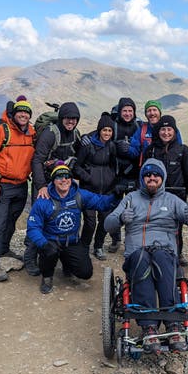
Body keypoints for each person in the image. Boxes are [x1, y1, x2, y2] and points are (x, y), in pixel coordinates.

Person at [105, 158, 188, 353]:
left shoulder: (172, 200)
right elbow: (108, 224)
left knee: (162, 259)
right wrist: (119, 218)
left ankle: (174, 325)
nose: (152, 178)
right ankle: (149, 326)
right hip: (137, 251)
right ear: (142, 178)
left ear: (163, 178)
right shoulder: (131, 199)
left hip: (164, 249)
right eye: (147, 175)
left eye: (156, 175)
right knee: (142, 260)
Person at [25, 162, 118, 294]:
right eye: (59, 177)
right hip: (51, 242)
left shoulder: (79, 195)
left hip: (72, 241)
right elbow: (33, 227)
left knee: (86, 273)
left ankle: (67, 263)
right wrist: (43, 244)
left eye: (67, 176)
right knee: (49, 252)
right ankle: (47, 277)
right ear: (53, 180)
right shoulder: (43, 200)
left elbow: (101, 202)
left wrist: (117, 195)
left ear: (71, 178)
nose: (64, 180)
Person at [0, 97, 36, 282]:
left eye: (27, 112)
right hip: (2, 186)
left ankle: (4, 249)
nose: (23, 115)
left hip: (21, 186)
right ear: (14, 113)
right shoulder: (0, 131)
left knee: (11, 222)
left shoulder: (31, 132)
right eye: (20, 111)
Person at [26, 101, 81, 276]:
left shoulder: (75, 134)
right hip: (45, 183)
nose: (70, 122)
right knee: (39, 220)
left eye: (74, 119)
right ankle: (30, 258)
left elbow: (80, 154)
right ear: (61, 118)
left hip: (62, 183)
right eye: (67, 118)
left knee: (58, 219)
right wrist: (41, 186)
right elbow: (37, 160)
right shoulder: (50, 134)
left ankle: (57, 257)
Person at [143, 115, 188, 266]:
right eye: (162, 129)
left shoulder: (183, 150)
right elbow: (142, 174)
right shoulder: (150, 150)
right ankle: (152, 253)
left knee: (176, 228)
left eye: (169, 129)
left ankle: (177, 255)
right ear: (158, 131)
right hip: (153, 196)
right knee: (154, 225)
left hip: (177, 196)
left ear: (174, 131)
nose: (166, 133)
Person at [74, 112, 118, 260]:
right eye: (104, 130)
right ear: (99, 130)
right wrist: (88, 177)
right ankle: (84, 247)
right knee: (90, 222)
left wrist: (112, 179)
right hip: (89, 191)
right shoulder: (88, 146)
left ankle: (98, 246)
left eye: (110, 130)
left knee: (105, 220)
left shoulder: (111, 146)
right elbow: (76, 167)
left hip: (106, 191)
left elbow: (114, 166)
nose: (107, 133)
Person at [108, 97, 141, 252]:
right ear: (120, 112)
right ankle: (115, 240)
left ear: (134, 112)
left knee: (133, 210)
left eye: (130, 111)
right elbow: (102, 135)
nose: (127, 114)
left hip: (135, 175)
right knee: (115, 209)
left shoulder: (139, 126)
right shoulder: (113, 125)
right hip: (116, 174)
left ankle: (131, 240)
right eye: (124, 111)